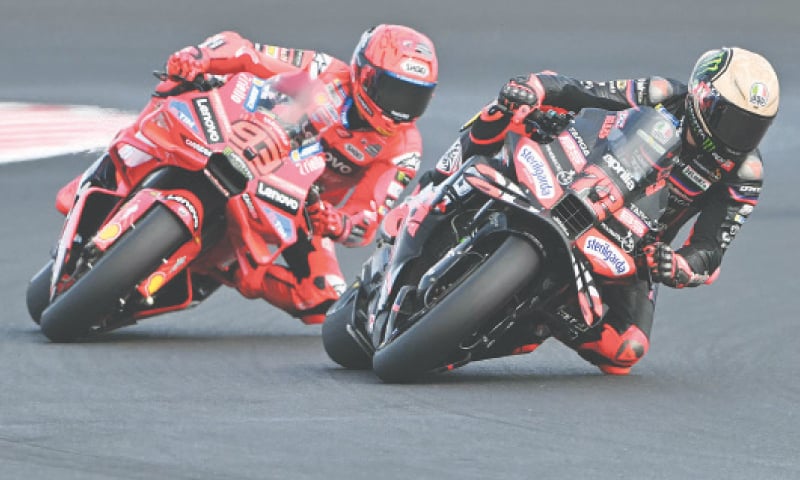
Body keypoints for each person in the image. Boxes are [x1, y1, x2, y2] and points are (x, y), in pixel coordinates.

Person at [418, 47, 779, 374]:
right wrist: (537, 89)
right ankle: (439, 184)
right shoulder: (661, 95)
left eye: (753, 128)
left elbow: (712, 248)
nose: (740, 137)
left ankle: (532, 320)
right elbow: (585, 91)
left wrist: (679, 265)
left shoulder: (745, 173)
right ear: (702, 99)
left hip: (634, 246)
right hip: (576, 175)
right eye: (732, 120)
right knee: (514, 108)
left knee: (626, 349)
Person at [164, 25, 438, 324]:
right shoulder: (324, 71)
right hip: (241, 145)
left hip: (297, 208)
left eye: (414, 97)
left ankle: (224, 266)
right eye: (394, 91)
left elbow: (367, 218)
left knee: (324, 299)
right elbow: (245, 51)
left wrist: (335, 221)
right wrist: (200, 57)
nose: (400, 108)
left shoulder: (404, 147)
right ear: (365, 73)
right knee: (175, 94)